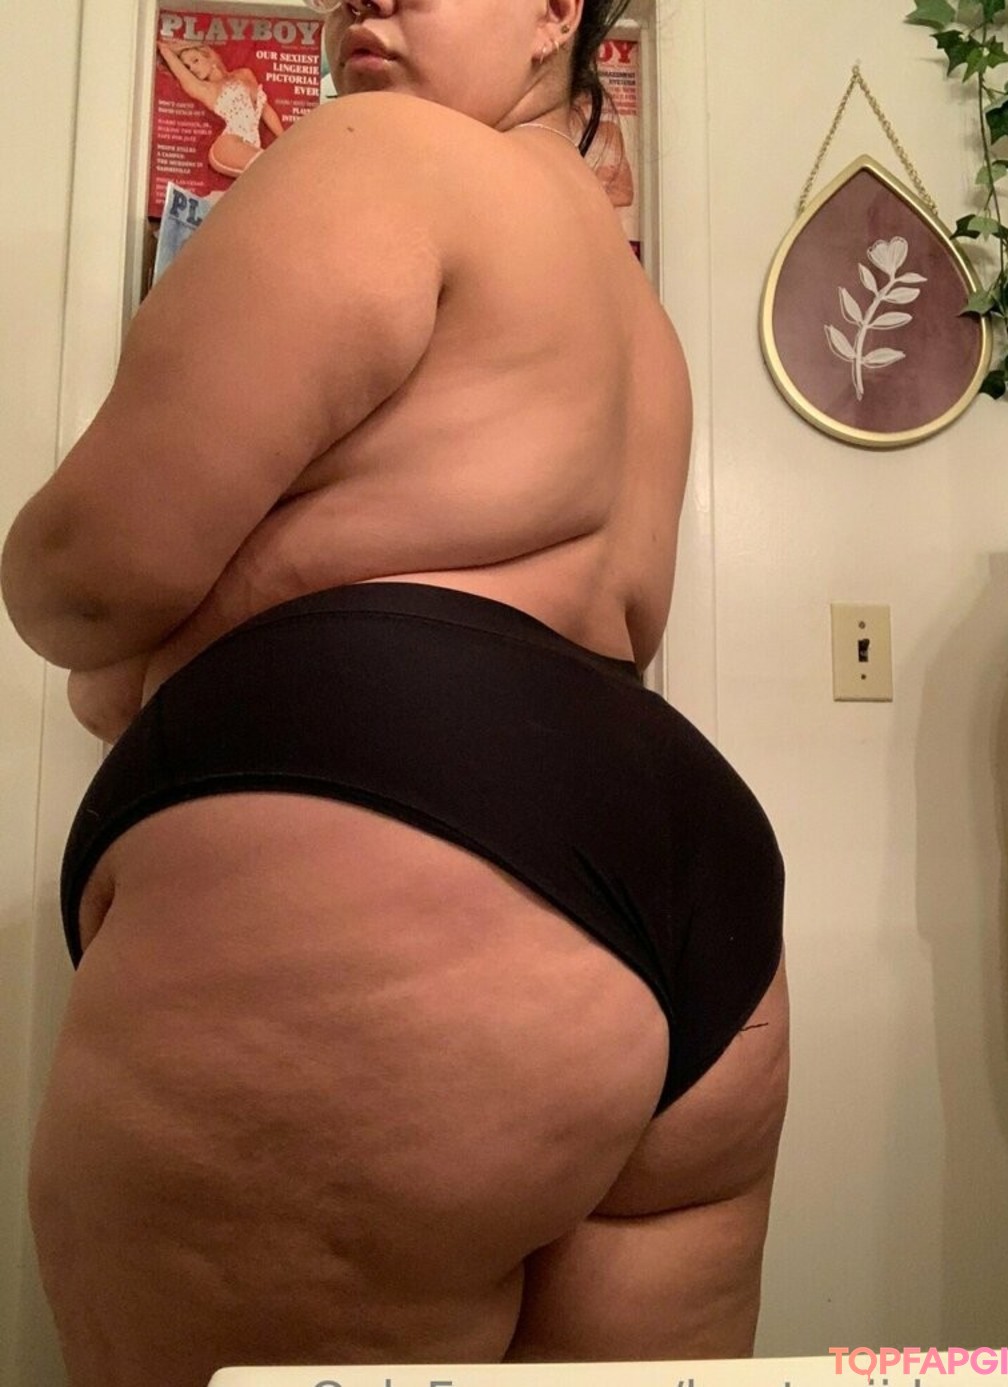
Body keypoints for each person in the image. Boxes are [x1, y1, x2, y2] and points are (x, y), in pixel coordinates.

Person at [1, 2, 788, 1383]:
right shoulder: (641, 327)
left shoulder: (384, 155)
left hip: (385, 859)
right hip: (698, 902)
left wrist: (136, 661)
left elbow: (84, 579)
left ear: (557, 13)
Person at [157, 38, 285, 178]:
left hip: (250, 146)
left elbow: (266, 110)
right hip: (227, 145)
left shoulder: (244, 74)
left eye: (195, 61)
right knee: (274, 169)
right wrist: (163, 47)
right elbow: (176, 66)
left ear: (208, 56)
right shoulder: (205, 89)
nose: (192, 69)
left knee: (272, 177)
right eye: (188, 67)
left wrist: (285, 140)